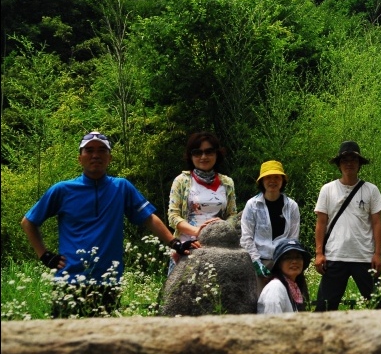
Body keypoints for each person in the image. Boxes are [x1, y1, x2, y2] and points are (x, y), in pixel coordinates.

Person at [20, 131, 191, 318]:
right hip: (69, 280)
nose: (95, 155)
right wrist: (44, 255)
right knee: (65, 342)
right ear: (80, 158)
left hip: (108, 280)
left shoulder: (121, 187)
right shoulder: (62, 190)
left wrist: (175, 243)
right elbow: (28, 222)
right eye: (89, 150)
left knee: (104, 343)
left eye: (102, 150)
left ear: (109, 158)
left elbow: (149, 218)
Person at [314, 141, 381, 311]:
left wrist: (377, 253)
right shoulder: (327, 189)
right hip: (334, 255)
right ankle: (320, 337)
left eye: (353, 160)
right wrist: (319, 253)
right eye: (345, 160)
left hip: (365, 256)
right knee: (324, 308)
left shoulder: (371, 190)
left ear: (359, 164)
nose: (349, 164)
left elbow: (377, 223)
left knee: (379, 307)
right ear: (339, 164)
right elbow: (321, 223)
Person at [166, 131, 237, 275]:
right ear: (190, 156)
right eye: (197, 152)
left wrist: (221, 227)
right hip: (186, 247)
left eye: (209, 151)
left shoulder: (227, 183)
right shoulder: (182, 181)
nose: (203, 157)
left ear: (217, 154)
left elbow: (233, 215)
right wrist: (197, 231)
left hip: (218, 248)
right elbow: (173, 216)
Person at [241, 160, 300, 292]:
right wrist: (257, 263)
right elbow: (246, 237)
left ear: (282, 180)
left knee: (284, 299)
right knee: (260, 302)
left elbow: (293, 238)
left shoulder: (292, 206)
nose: (272, 181)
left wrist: (288, 261)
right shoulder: (252, 205)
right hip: (260, 259)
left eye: (276, 177)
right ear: (261, 181)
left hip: (283, 261)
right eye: (268, 177)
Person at [257, 239, 312, 314]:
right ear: (279, 264)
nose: (294, 261)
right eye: (288, 257)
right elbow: (273, 322)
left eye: (298, 257)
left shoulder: (291, 287)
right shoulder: (275, 288)